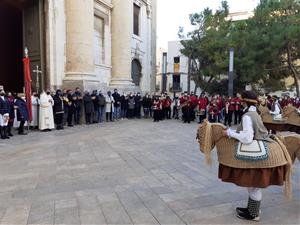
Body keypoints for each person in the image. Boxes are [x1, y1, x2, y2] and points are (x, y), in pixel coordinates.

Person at [222, 91, 284, 221]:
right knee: (252, 184)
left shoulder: (247, 115)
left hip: (255, 148)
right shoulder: (254, 113)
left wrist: (229, 133)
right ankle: (251, 208)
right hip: (260, 143)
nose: (240, 102)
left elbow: (247, 138)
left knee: (254, 184)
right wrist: (231, 131)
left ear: (244, 101)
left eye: (241, 100)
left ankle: (254, 214)